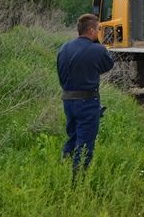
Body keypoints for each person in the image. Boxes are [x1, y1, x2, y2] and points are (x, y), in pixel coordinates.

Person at [57, 13, 115, 175]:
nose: (99, 32)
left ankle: (62, 167)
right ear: (91, 31)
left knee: (73, 137)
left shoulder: (64, 48)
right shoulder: (97, 49)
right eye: (98, 29)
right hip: (87, 102)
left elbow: (61, 74)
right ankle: (78, 182)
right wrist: (97, 43)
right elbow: (108, 65)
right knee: (85, 144)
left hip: (68, 100)